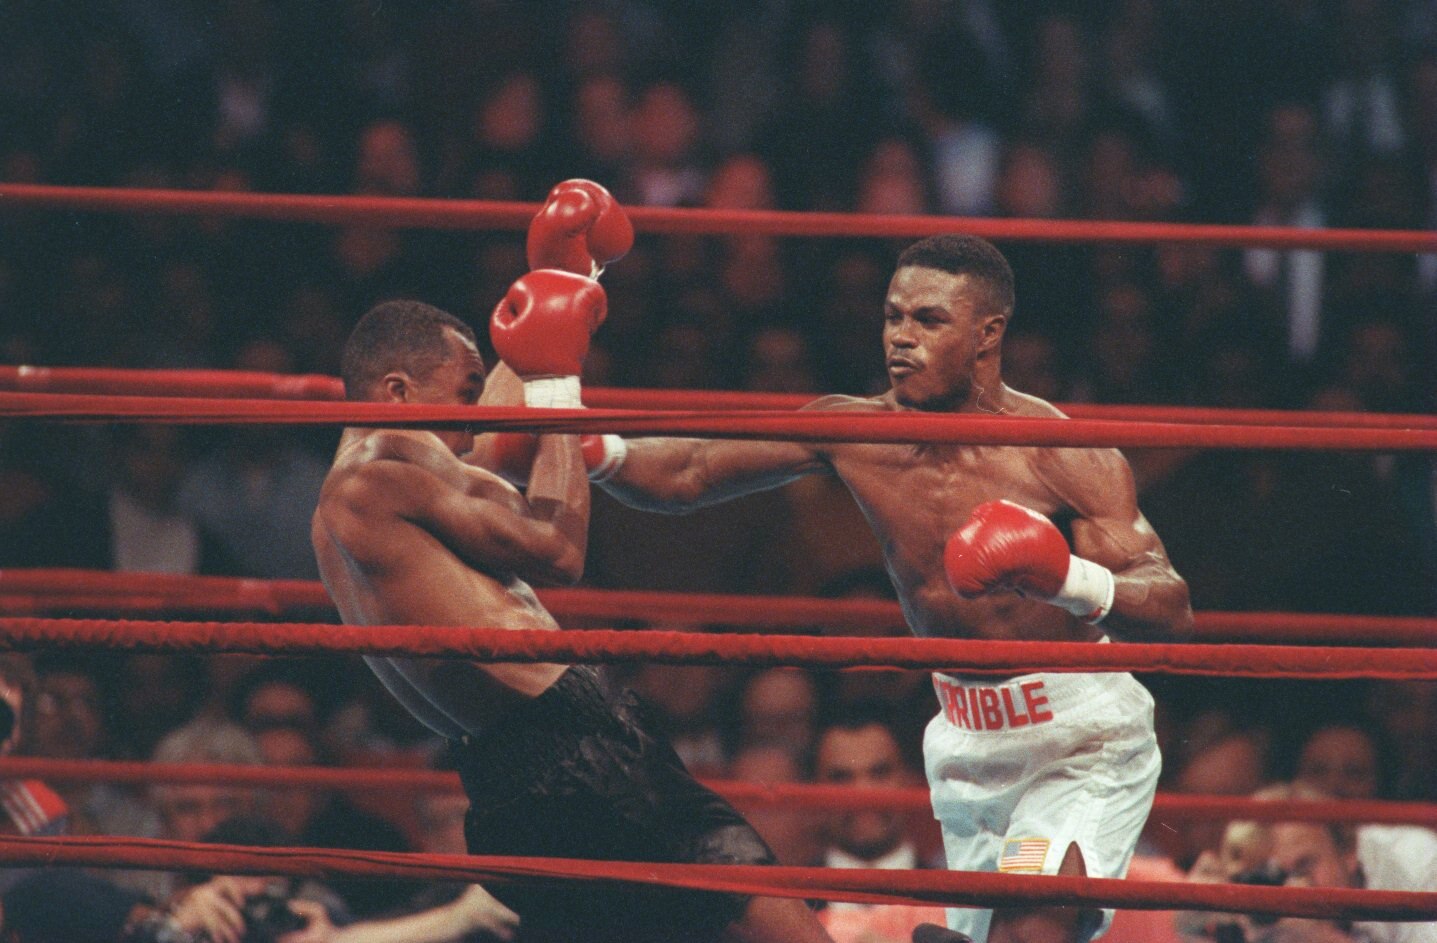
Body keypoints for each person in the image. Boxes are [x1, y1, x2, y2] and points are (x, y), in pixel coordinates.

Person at [591, 233, 1194, 943]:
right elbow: (687, 470)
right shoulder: (855, 431)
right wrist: (581, 445)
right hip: (965, 740)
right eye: (892, 316)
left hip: (1077, 737)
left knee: (1033, 927)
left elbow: (1170, 605)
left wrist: (1064, 575)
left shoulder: (1058, 452)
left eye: (928, 320)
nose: (900, 339)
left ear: (987, 333)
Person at [310, 183, 834, 943]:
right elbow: (558, 548)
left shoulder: (355, 495)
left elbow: (488, 443)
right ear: (396, 391)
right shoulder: (386, 466)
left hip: (507, 780)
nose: (471, 421)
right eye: (458, 396)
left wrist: (566, 278)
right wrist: (557, 378)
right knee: (770, 919)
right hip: (575, 749)